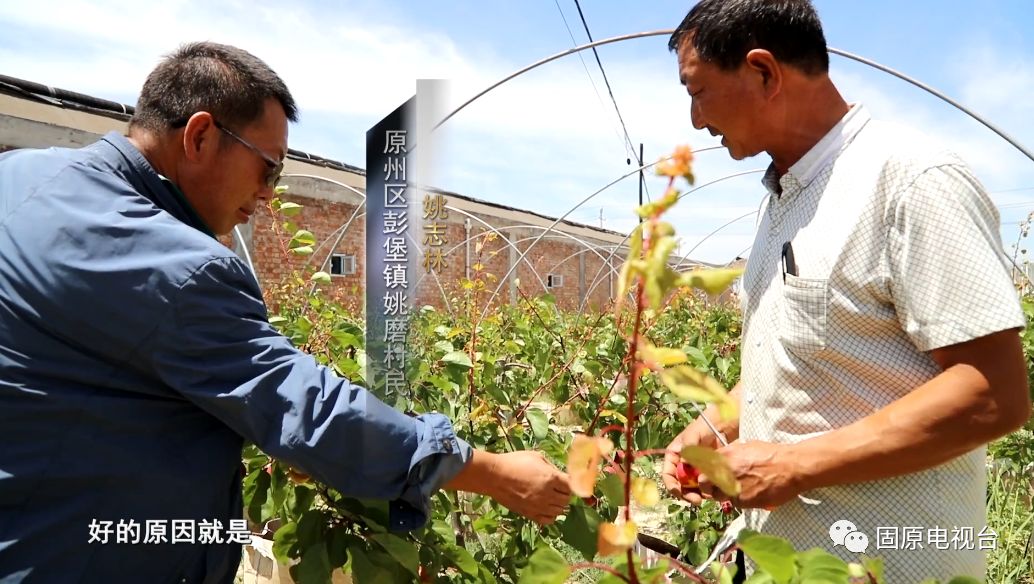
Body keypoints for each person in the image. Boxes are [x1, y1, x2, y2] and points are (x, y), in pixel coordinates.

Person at [0, 42, 570, 583]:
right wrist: (486, 470)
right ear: (199, 136)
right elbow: (310, 409)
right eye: (268, 168)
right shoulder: (176, 264)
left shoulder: (20, 176)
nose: (270, 193)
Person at [659, 0, 1031, 581]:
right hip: (791, 560)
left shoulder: (909, 180)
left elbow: (993, 394)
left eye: (698, 91)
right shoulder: (784, 200)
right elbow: (801, 357)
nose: (695, 120)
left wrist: (794, 466)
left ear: (763, 72)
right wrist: (713, 427)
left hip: (895, 562)